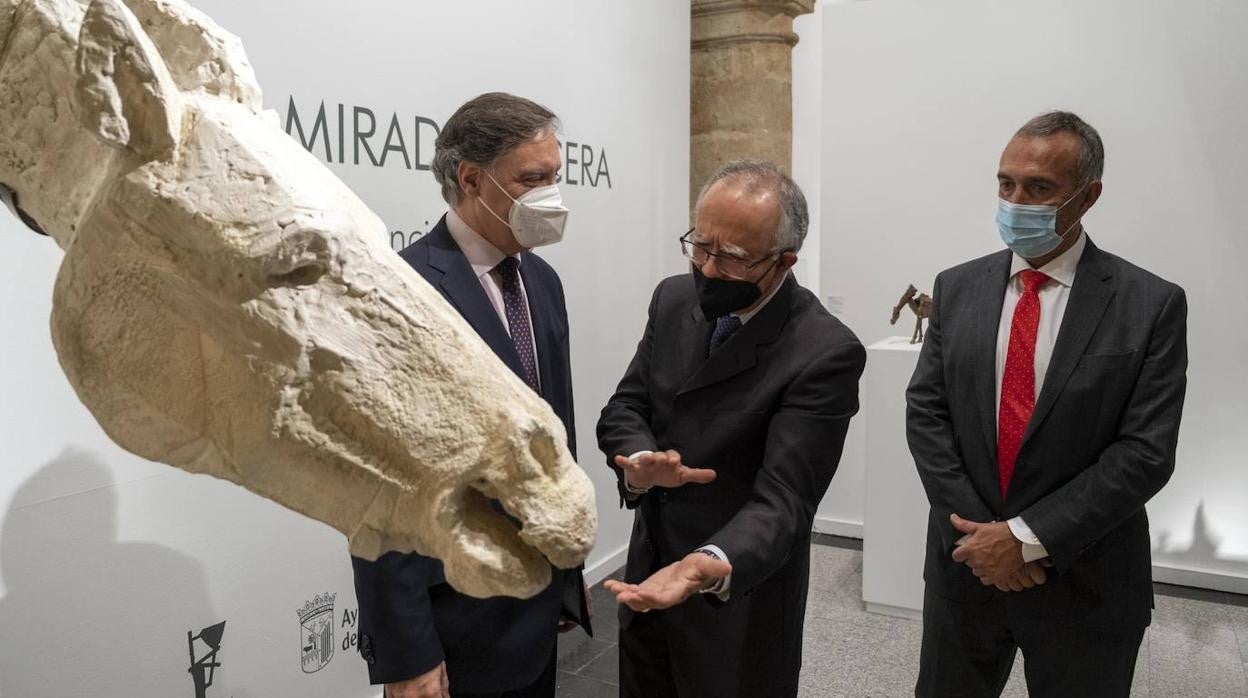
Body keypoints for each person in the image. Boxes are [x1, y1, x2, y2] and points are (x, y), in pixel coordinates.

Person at [906, 111, 1187, 697]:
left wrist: (1028, 537)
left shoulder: (1149, 304)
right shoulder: (957, 288)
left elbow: (1145, 452)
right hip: (966, 569)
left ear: (1088, 197)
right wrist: (982, 540)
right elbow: (928, 415)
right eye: (1006, 184)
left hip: (1084, 579)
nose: (1016, 202)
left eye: (1039, 189)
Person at [351, 92, 590, 698]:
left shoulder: (542, 279)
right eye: (532, 179)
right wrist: (408, 654)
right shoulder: (402, 291)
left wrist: (566, 567)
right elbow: (381, 490)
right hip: (453, 622)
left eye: (554, 177)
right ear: (471, 179)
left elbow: (553, 436)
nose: (550, 195)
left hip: (535, 606)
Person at [597, 160, 865, 698]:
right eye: (700, 246)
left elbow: (786, 498)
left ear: (784, 261)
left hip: (738, 593)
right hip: (650, 569)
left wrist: (707, 564)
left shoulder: (824, 351)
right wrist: (639, 463)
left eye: (733, 257)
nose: (709, 268)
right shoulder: (673, 299)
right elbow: (625, 408)